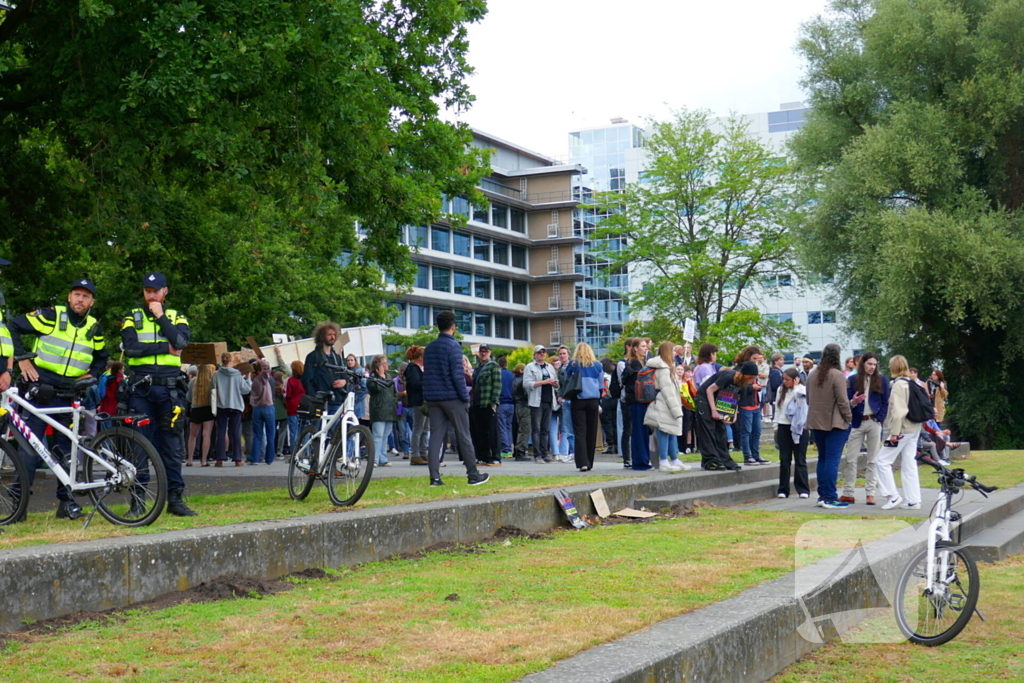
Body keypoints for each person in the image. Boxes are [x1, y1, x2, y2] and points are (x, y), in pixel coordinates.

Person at [8, 278, 109, 519]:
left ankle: (67, 504)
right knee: (30, 448)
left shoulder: (94, 326)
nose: (80, 299)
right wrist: (22, 358)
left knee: (66, 451)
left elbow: (102, 357)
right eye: (76, 294)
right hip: (42, 387)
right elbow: (12, 326)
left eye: (85, 296)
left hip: (71, 392)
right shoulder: (51, 315)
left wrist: (92, 375)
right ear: (69, 297)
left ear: (92, 301)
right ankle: (18, 505)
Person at [119, 272, 195, 516]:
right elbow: (130, 349)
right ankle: (138, 500)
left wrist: (160, 316)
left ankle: (175, 500)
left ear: (165, 292)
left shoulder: (176, 316)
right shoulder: (132, 316)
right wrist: (165, 347)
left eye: (156, 290)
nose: (151, 295)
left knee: (171, 446)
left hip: (169, 389)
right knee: (138, 446)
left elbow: (181, 342)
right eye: (147, 290)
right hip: (140, 389)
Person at [422, 311, 489, 486]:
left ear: (438, 326)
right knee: (463, 435)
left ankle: (434, 477)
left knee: (436, 437)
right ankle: (473, 475)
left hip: (434, 398)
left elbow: (428, 374)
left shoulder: (429, 348)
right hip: (452, 397)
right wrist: (465, 397)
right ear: (453, 327)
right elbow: (457, 375)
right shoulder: (453, 347)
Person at [806, 343, 853, 509]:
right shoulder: (837, 375)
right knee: (832, 460)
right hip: (835, 423)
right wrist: (849, 418)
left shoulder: (812, 374)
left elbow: (808, 399)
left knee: (823, 459)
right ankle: (830, 497)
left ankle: (822, 495)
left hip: (816, 421)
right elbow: (842, 400)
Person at [840, 352, 889, 505]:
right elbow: (847, 402)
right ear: (863, 364)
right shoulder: (853, 380)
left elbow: (886, 402)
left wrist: (879, 418)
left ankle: (870, 493)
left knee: (872, 459)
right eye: (869, 364)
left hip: (873, 421)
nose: (872, 367)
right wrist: (854, 402)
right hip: (857, 422)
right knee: (850, 459)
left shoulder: (881, 380)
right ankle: (848, 492)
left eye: (874, 364)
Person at [876, 355, 923, 510]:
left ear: (893, 367)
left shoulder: (897, 385)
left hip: (901, 429)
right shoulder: (911, 383)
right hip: (914, 427)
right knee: (909, 463)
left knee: (882, 461)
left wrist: (894, 433)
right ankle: (913, 499)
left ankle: (892, 495)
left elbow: (898, 411)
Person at [695, 360, 755, 471]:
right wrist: (713, 410)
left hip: (718, 400)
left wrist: (731, 416)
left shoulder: (742, 384)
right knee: (708, 430)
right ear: (744, 375)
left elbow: (733, 398)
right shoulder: (728, 375)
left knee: (720, 432)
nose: (751, 381)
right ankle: (710, 460)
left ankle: (724, 459)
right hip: (705, 398)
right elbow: (709, 390)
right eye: (750, 378)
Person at [643, 341, 690, 472]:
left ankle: (673, 458)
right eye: (673, 351)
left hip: (664, 403)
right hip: (664, 404)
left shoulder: (666, 367)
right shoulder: (663, 369)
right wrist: (676, 408)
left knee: (671, 432)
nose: (675, 353)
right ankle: (664, 460)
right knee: (664, 431)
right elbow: (667, 391)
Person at [563, 342, 603, 472]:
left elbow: (567, 379)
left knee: (579, 432)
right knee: (592, 431)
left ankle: (582, 462)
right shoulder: (598, 365)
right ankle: (590, 461)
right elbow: (601, 385)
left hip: (578, 399)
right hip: (593, 400)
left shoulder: (573, 364)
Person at [775, 367, 810, 498]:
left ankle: (803, 489)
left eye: (788, 379)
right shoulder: (780, 390)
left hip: (799, 427)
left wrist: (796, 387)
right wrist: (776, 424)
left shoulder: (802, 389)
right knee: (784, 459)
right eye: (783, 379)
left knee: (800, 459)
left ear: (795, 379)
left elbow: (802, 405)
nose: (785, 382)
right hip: (784, 425)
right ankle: (783, 489)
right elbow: (778, 408)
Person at [733, 346, 771, 466]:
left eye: (757, 358)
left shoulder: (753, 368)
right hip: (745, 404)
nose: (755, 361)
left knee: (757, 431)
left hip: (755, 403)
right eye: (754, 358)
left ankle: (756, 454)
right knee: (746, 431)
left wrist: (757, 386)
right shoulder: (738, 370)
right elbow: (737, 387)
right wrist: (751, 388)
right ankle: (747, 455)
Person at [302, 322, 348, 416]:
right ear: (322, 336)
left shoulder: (337, 357)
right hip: (320, 401)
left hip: (336, 400)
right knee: (319, 429)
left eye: (334, 334)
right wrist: (314, 397)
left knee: (335, 429)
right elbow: (307, 380)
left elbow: (344, 375)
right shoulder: (312, 356)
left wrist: (344, 381)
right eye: (329, 334)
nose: (332, 337)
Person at [213, 353, 251, 466]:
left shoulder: (216, 374)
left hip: (221, 405)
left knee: (220, 432)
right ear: (231, 361)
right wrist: (248, 378)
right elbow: (246, 390)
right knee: (235, 432)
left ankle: (219, 458)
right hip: (235, 405)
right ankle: (237, 458)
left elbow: (212, 388)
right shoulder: (237, 374)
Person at [622, 337, 652, 470]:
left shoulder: (639, 362)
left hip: (638, 399)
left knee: (641, 430)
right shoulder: (635, 364)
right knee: (639, 431)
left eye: (646, 346)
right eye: (643, 346)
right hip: (636, 399)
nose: (646, 348)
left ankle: (643, 460)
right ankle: (641, 462)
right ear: (635, 348)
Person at [524, 344, 558, 464]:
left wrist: (555, 383)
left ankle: (545, 454)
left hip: (549, 401)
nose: (542, 354)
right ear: (534, 355)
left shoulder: (550, 367)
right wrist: (544, 382)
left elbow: (556, 382)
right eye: (539, 352)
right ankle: (537, 455)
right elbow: (527, 384)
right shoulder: (530, 367)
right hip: (536, 402)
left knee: (546, 429)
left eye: (543, 352)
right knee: (536, 429)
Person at [470, 344, 502, 466]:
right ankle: (483, 456)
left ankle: (496, 457)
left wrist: (494, 402)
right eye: (481, 351)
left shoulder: (493, 366)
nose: (483, 354)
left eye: (485, 351)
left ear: (489, 353)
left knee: (492, 431)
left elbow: (497, 385)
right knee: (480, 432)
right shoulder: (478, 367)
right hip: (477, 403)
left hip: (488, 403)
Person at [367, 354, 399, 467]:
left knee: (385, 435)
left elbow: (393, 392)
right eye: (384, 363)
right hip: (379, 409)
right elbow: (377, 389)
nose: (387, 365)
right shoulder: (372, 378)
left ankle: (383, 458)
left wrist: (395, 402)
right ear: (378, 366)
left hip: (390, 409)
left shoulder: (389, 376)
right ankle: (374, 459)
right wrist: (380, 376)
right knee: (378, 436)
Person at [185, 364, 216, 467]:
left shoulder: (193, 381)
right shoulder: (211, 382)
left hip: (195, 409)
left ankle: (190, 459)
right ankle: (204, 460)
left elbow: (188, 398)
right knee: (206, 435)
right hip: (208, 409)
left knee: (192, 436)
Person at [247, 357, 276, 465]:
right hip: (268, 407)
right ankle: (269, 458)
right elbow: (268, 368)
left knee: (257, 435)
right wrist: (262, 360)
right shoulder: (263, 378)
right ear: (260, 370)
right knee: (270, 435)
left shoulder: (254, 380)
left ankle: (255, 458)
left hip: (257, 408)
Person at [403, 346, 428, 466]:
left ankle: (423, 452)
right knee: (418, 429)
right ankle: (415, 454)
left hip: (423, 401)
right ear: (420, 358)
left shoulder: (419, 368)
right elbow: (415, 384)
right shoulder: (413, 368)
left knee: (424, 429)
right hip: (418, 401)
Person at [283, 360, 306, 460]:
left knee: (294, 433)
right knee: (305, 433)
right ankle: (306, 453)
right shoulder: (306, 380)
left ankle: (294, 455)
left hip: (292, 408)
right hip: (304, 408)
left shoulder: (290, 380)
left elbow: (286, 394)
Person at [511, 363, 532, 461]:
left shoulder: (515, 380)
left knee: (521, 429)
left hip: (518, 406)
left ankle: (518, 450)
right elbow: (527, 393)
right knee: (525, 429)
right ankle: (521, 451)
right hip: (525, 406)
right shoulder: (524, 381)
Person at [497, 356, 515, 458]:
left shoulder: (498, 374)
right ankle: (509, 449)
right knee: (508, 427)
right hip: (511, 403)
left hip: (502, 402)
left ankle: (505, 449)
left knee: (502, 427)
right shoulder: (511, 375)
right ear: (507, 364)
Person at [599, 357, 619, 454]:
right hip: (615, 399)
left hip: (605, 399)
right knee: (615, 422)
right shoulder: (614, 374)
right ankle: (617, 444)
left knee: (607, 423)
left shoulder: (602, 376)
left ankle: (611, 444)